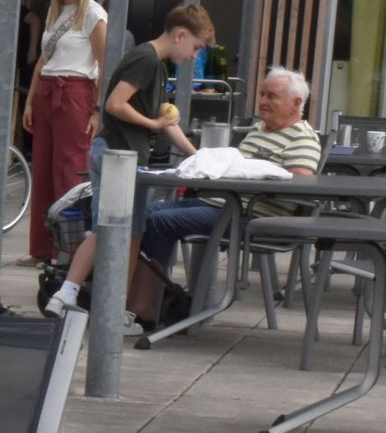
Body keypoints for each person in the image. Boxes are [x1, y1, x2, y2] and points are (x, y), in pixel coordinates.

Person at [44, 2, 217, 332]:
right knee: (112, 230)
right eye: (195, 47)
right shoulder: (146, 59)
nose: (195, 55)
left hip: (125, 156)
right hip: (117, 154)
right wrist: (153, 124)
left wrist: (196, 155)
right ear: (180, 35)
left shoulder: (156, 64)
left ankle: (107, 305)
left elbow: (164, 120)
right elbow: (115, 104)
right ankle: (84, 298)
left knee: (129, 232)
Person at [124, 66, 319, 322]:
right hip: (220, 204)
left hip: (250, 216)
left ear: (296, 103)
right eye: (262, 94)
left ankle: (142, 308)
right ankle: (136, 301)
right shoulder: (260, 129)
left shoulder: (302, 138)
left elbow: (299, 185)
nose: (262, 101)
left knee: (159, 222)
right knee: (142, 214)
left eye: (272, 96)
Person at [23, 0, 109, 264]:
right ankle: (42, 248)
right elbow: (44, 60)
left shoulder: (94, 15)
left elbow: (104, 64)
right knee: (43, 170)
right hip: (47, 89)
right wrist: (30, 100)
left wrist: (97, 110)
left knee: (69, 170)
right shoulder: (55, 11)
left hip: (75, 92)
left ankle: (70, 252)